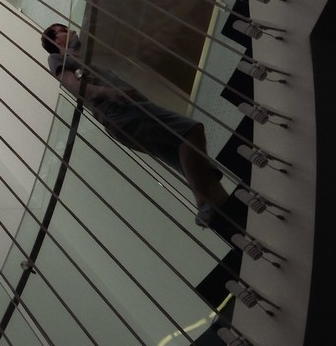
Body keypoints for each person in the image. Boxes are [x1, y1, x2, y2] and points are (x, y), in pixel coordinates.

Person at [41, 23, 230, 227]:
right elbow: (73, 84)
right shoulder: (57, 59)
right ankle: (204, 204)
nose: (68, 30)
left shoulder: (84, 60)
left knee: (184, 158)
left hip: (124, 114)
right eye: (62, 30)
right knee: (190, 132)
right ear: (55, 41)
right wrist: (111, 92)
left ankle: (220, 208)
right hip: (121, 111)